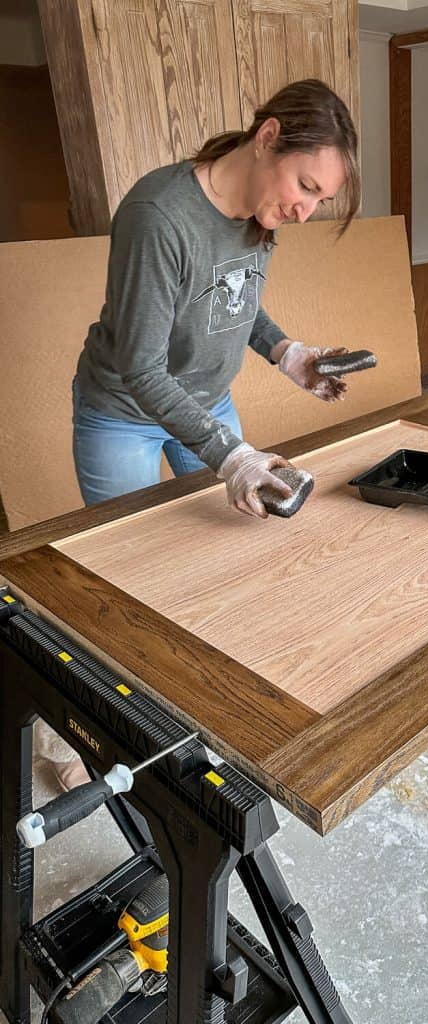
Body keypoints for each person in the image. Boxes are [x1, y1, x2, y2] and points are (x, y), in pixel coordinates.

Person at [41, 78, 361, 790]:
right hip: (122, 410)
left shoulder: (258, 214)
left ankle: (205, 703)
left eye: (319, 201)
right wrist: (230, 453)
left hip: (205, 406)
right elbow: (141, 367)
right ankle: (72, 731)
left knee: (238, 553)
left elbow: (236, 298)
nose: (304, 210)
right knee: (121, 582)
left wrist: (288, 353)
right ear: (268, 137)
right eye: (305, 186)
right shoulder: (159, 216)